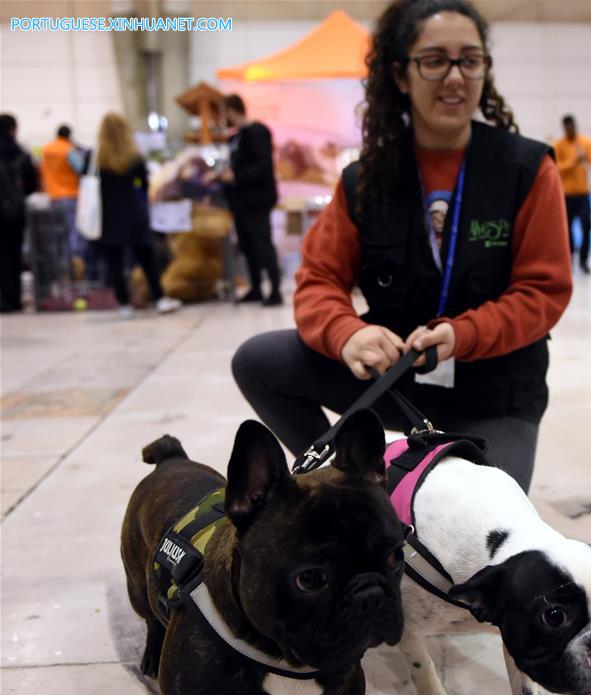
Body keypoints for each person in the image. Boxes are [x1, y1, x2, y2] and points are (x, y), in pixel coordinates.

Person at [231, 0, 572, 492]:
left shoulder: (527, 170)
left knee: (481, 537)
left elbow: (543, 291)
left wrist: (466, 333)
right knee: (258, 360)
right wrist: (347, 333)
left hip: (496, 392)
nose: (455, 77)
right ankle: (342, 487)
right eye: (434, 60)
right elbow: (318, 281)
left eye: (469, 60)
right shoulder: (365, 181)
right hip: (395, 380)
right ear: (400, 74)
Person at [93, 113, 181, 316]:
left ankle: (124, 304)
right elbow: (144, 184)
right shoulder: (134, 157)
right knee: (147, 259)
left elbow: (88, 183)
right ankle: (159, 299)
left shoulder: (96, 159)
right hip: (133, 212)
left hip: (108, 216)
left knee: (115, 263)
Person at [218, 94, 282, 306]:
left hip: (257, 200)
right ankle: (255, 288)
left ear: (232, 109)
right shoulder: (236, 136)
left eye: (225, 111)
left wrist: (236, 175)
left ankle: (275, 290)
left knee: (262, 244)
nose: (223, 116)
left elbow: (263, 167)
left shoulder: (258, 132)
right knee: (248, 246)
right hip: (240, 202)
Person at [553, 114, 591, 274]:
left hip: (584, 194)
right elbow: (556, 167)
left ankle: (584, 261)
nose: (570, 130)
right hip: (566, 195)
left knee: (587, 227)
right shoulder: (558, 146)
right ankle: (568, 260)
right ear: (564, 128)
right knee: (565, 230)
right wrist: (573, 162)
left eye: (572, 127)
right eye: (567, 127)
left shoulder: (585, 143)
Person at [0, 113, 38, 314]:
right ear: (13, 128)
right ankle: (13, 299)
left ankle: (3, 298)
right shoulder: (21, 154)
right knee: (14, 255)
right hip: (16, 213)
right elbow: (32, 184)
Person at [40, 124, 87, 278]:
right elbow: (81, 169)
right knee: (73, 235)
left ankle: (60, 270)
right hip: (70, 197)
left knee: (58, 237)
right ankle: (75, 270)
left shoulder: (46, 150)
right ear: (69, 135)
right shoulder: (68, 149)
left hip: (52, 199)